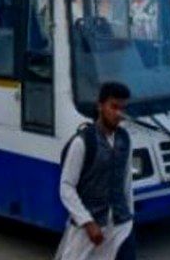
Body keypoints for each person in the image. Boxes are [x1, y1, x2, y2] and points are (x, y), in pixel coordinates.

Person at [54, 82, 134, 260]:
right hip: (87, 230)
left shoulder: (125, 140)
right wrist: (87, 222)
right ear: (100, 106)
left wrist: (129, 215)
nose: (118, 114)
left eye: (122, 108)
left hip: (121, 227)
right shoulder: (83, 142)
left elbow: (127, 182)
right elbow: (66, 187)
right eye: (113, 107)